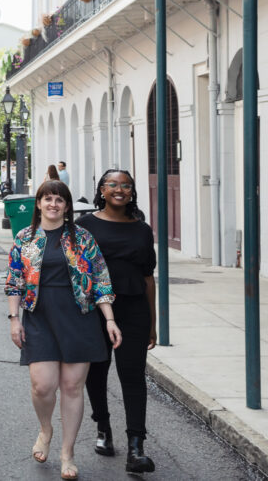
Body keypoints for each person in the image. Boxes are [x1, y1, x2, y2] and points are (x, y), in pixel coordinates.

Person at [5, 179, 122, 481]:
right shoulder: (25, 237)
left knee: (72, 387)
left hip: (78, 318)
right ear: (39, 204)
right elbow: (15, 280)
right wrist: (14, 319)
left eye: (59, 200)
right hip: (39, 316)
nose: (53, 204)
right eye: (48, 199)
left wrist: (109, 319)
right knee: (42, 385)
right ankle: (46, 429)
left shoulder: (82, 237)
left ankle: (67, 452)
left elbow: (100, 278)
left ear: (67, 207)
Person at [78, 169, 157, 474]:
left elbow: (149, 278)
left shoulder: (142, 229)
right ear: (101, 189)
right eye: (112, 184)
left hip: (134, 309)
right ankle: (103, 428)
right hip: (95, 311)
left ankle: (136, 446)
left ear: (132, 191)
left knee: (133, 376)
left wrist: (153, 323)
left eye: (126, 185)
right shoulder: (85, 226)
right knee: (95, 373)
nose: (119, 189)